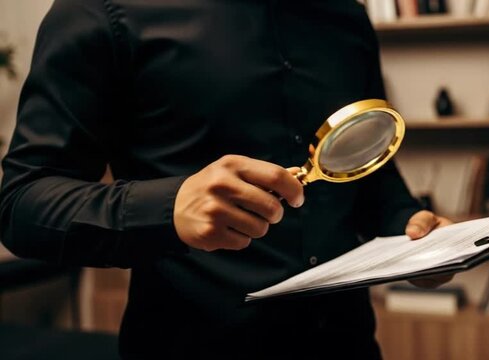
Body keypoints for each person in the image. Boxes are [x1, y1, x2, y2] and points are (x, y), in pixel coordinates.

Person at [0, 0, 452, 358]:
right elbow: (22, 204)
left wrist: (414, 230)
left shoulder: (348, 17)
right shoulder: (98, 10)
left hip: (348, 344)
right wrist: (169, 208)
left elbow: (367, 177)